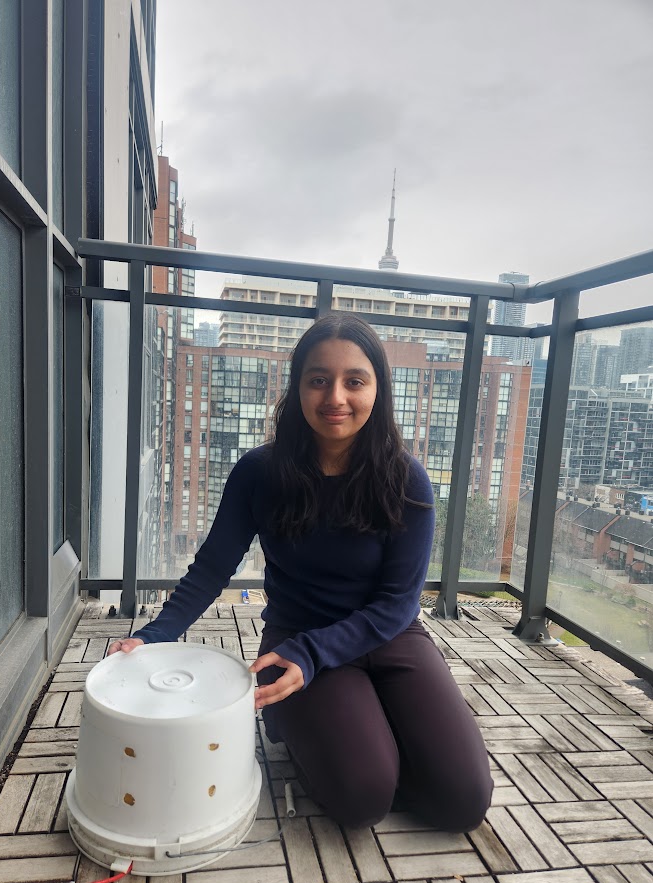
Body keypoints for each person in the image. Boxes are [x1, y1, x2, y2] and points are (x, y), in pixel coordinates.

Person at [108, 313, 493, 831]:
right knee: (363, 800)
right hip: (298, 641)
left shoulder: (406, 479)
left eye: (354, 381)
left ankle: (370, 728)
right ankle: (300, 719)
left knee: (463, 800)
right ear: (298, 388)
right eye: (319, 379)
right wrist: (154, 636)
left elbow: (399, 603)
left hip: (390, 636)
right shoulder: (260, 473)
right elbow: (212, 567)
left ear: (377, 389)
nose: (335, 396)